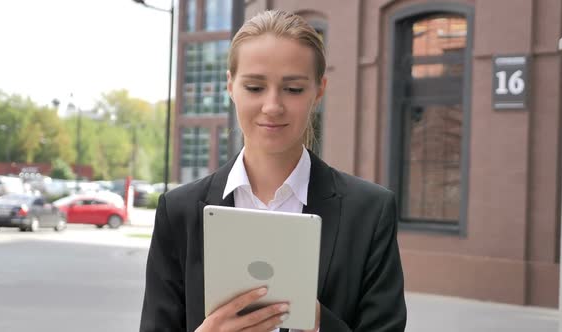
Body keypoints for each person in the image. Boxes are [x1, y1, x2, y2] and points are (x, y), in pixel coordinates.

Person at [140, 10, 406, 332]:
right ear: (230, 86)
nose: (272, 106)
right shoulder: (178, 212)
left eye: (293, 89)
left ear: (319, 90)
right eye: (254, 87)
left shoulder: (369, 212)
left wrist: (318, 321)